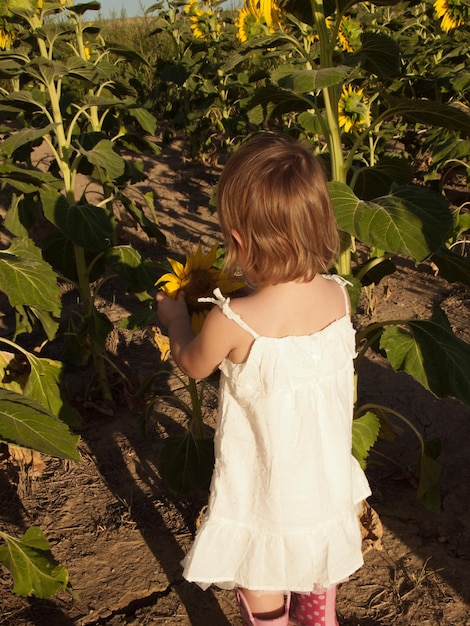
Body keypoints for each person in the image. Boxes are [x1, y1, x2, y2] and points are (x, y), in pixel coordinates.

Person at [156, 133, 371, 626]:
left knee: (263, 583)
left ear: (236, 241)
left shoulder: (233, 319)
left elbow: (192, 364)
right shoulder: (338, 297)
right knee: (317, 583)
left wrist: (174, 318)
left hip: (266, 496)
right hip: (322, 490)